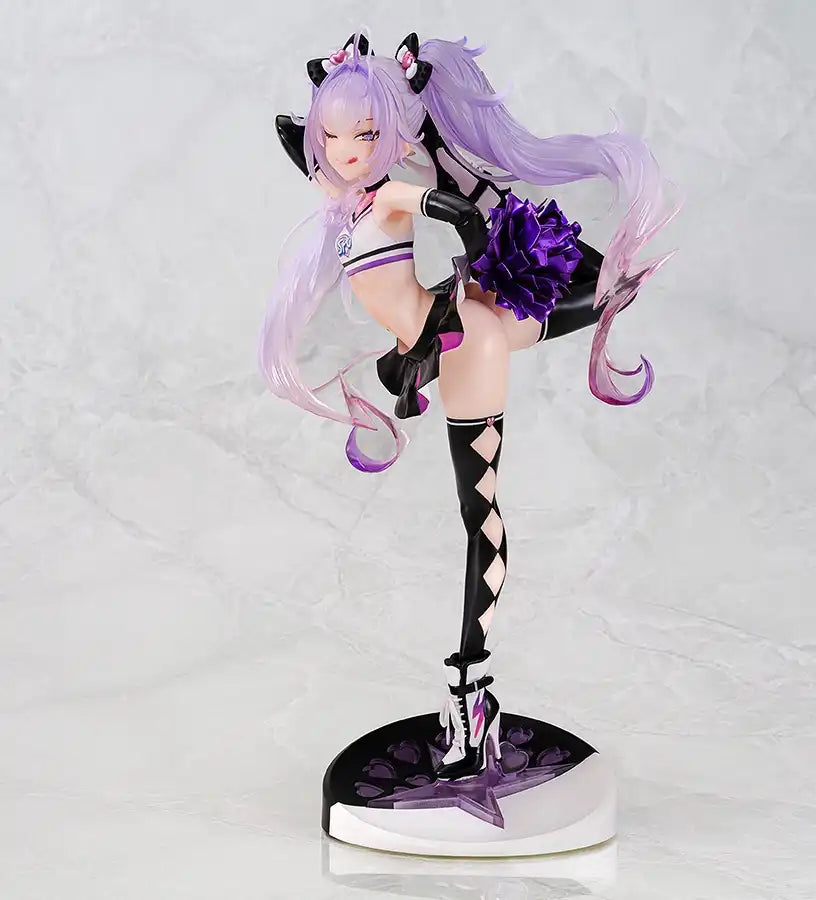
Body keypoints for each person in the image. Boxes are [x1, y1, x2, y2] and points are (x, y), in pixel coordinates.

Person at [259, 30, 679, 781]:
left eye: (365, 136)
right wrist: (315, 127)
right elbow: (305, 150)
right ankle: (595, 293)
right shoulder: (349, 194)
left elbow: (456, 209)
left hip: (458, 340)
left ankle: (471, 680)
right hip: (436, 332)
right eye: (337, 138)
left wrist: (469, 239)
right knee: (472, 506)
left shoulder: (390, 194)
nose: (347, 152)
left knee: (478, 512)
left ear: (394, 136)